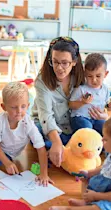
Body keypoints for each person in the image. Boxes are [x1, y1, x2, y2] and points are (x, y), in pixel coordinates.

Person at [0, 82, 53, 186]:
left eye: (23, 106)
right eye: (14, 107)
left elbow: (41, 148)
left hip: (7, 153)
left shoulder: (29, 124)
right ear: (4, 107)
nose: (19, 111)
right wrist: (7, 163)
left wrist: (44, 174)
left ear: (28, 105)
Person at [31, 36, 85, 167]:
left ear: (74, 62)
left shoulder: (80, 78)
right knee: (41, 140)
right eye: (55, 62)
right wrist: (56, 142)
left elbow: (99, 93)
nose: (59, 68)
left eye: (65, 63)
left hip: (70, 123)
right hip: (46, 123)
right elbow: (45, 115)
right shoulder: (42, 81)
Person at [69, 53, 111, 136]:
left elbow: (106, 104)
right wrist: (82, 102)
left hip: (96, 119)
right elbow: (70, 105)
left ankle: (103, 146)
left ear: (105, 74)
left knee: (106, 128)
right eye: (89, 76)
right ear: (85, 74)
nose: (94, 80)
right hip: (80, 117)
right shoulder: (81, 88)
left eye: (98, 76)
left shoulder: (105, 89)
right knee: (87, 129)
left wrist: (110, 106)